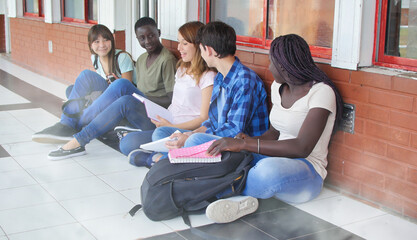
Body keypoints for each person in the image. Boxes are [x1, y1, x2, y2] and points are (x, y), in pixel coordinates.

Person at [203, 34, 344, 224]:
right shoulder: (279, 87)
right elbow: (274, 132)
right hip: (274, 157)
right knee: (204, 143)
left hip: (306, 170)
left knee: (266, 171)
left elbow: (301, 147)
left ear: (284, 67)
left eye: (271, 62)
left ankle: (223, 195)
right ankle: (238, 196)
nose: (269, 67)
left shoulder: (321, 93)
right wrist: (248, 141)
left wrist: (247, 145)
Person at [48, 21, 215, 161]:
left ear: (199, 45)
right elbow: (175, 105)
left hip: (178, 128)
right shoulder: (182, 68)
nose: (179, 47)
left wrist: (172, 125)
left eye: (184, 43)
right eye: (178, 42)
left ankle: (75, 124)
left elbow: (204, 118)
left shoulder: (208, 76)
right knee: (121, 97)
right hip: (164, 118)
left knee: (126, 144)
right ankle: (79, 140)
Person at [32, 17, 177, 146]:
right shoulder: (142, 59)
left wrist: (139, 98)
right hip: (134, 102)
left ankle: (78, 122)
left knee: (121, 84)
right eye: (142, 38)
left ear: (159, 32)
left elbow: (172, 99)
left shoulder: (167, 59)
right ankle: (66, 123)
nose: (147, 41)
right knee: (81, 80)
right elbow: (138, 87)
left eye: (151, 36)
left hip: (151, 109)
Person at [141, 21, 269, 165]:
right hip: (219, 140)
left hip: (240, 148)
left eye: (200, 49)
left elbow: (234, 130)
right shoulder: (221, 77)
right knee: (164, 133)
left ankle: (163, 161)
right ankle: (169, 161)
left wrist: (193, 137)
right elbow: (212, 121)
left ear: (208, 50)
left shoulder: (245, 80)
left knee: (194, 141)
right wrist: (191, 133)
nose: (201, 54)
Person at [32, 24, 136, 143]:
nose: (102, 45)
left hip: (125, 96)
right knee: (71, 90)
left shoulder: (121, 57)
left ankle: (68, 124)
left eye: (106, 40)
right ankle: (73, 122)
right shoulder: (95, 58)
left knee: (86, 76)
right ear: (90, 45)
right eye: (96, 41)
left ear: (112, 41)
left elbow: (126, 87)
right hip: (109, 92)